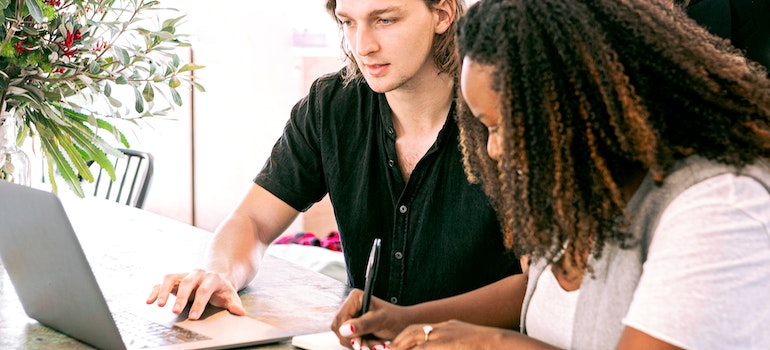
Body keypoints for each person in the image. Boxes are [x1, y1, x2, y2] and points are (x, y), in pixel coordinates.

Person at [330, 0, 770, 348]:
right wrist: (407, 318)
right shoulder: (583, 186)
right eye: (485, 127)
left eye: (506, 126)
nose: (493, 150)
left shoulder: (719, 206)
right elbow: (540, 295)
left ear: (589, 103)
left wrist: (494, 346)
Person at [146, 0, 520, 323]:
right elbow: (254, 220)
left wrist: (407, 322)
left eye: (385, 20)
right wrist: (219, 272)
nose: (363, 46)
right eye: (348, 22)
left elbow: (539, 287)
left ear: (442, 14)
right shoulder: (332, 106)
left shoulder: (505, 114)